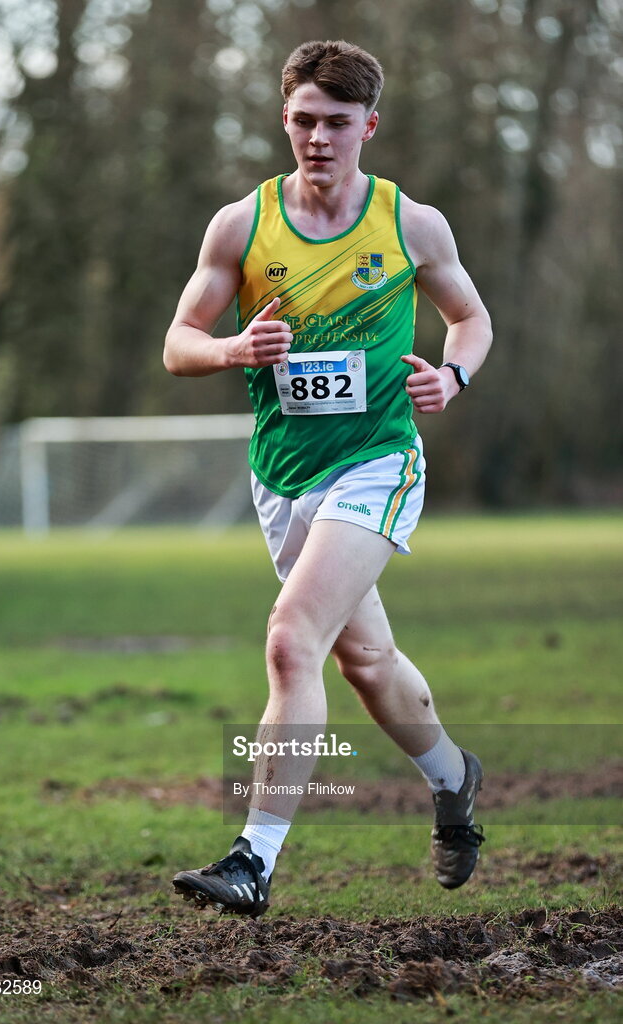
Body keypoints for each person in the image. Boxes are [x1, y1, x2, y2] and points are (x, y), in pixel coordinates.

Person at [164, 40, 492, 918]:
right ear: (285, 119)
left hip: (377, 462)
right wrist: (232, 348)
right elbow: (178, 342)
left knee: (289, 639)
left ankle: (252, 858)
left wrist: (450, 376)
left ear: (368, 126)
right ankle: (454, 779)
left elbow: (469, 317)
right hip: (282, 475)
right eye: (304, 120)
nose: (318, 138)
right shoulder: (241, 223)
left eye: (337, 124)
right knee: (367, 661)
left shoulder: (408, 223)